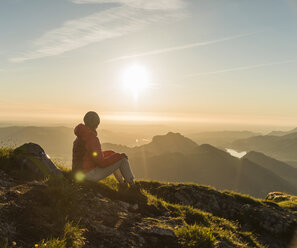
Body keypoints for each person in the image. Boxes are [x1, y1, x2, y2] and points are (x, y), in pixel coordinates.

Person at [72, 111, 135, 188]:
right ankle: (133, 186)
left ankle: (123, 185)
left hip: (78, 174)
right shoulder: (92, 138)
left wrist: (111, 154)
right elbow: (102, 163)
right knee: (122, 159)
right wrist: (119, 156)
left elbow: (92, 156)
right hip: (88, 175)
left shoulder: (80, 136)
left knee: (114, 156)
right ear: (96, 124)